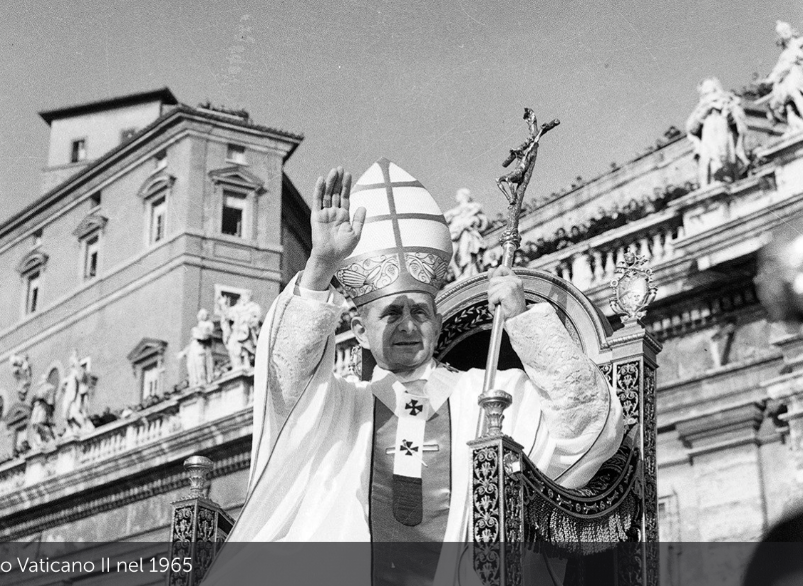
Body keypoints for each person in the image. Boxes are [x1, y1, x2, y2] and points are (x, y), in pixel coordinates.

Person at [203, 160, 624, 586]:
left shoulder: (494, 393)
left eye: (419, 311)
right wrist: (320, 267)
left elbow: (590, 428)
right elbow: (285, 379)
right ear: (358, 332)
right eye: (390, 313)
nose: (407, 325)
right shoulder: (338, 409)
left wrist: (524, 322)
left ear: (438, 324)